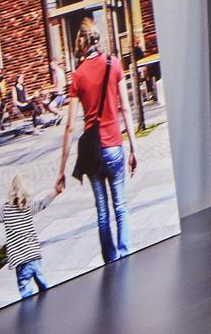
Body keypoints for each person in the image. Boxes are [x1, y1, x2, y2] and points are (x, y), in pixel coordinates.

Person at [61, 22, 127, 262]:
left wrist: (61, 171)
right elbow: (125, 108)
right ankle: (125, 253)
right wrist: (133, 149)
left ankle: (110, 261)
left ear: (81, 43)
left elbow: (70, 126)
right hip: (114, 145)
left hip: (92, 152)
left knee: (102, 211)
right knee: (120, 206)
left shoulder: (77, 76)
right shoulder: (114, 63)